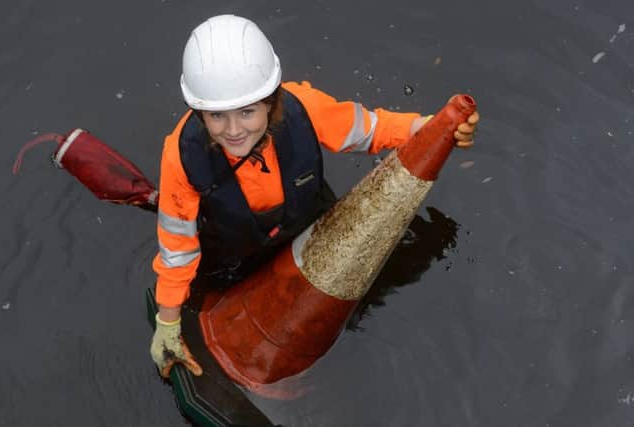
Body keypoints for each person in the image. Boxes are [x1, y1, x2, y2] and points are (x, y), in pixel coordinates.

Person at [149, 14, 479, 377]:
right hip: (235, 255)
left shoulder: (302, 109)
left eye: (247, 112)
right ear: (199, 114)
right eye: (216, 116)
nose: (233, 130)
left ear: (271, 101)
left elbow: (369, 130)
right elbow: (178, 247)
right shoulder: (182, 156)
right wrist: (168, 322)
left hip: (305, 224)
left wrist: (426, 127)